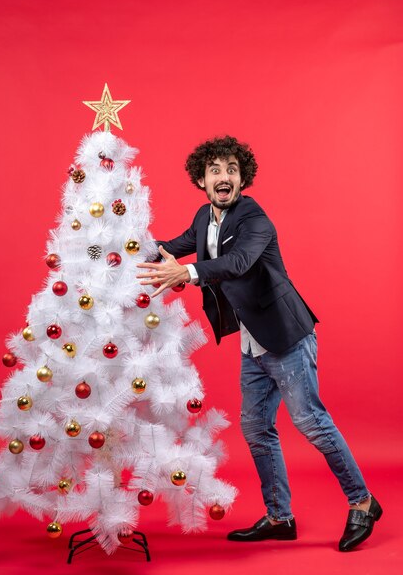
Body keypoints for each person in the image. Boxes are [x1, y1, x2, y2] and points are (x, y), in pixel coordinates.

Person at [136, 135, 381, 551]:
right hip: (254, 344)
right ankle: (279, 517)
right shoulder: (203, 218)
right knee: (256, 427)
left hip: (286, 338)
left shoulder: (255, 220)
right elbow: (171, 247)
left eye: (232, 170)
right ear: (201, 180)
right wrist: (120, 246)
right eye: (215, 170)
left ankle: (363, 502)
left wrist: (187, 274)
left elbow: (237, 263)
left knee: (311, 422)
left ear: (242, 178)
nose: (224, 176)